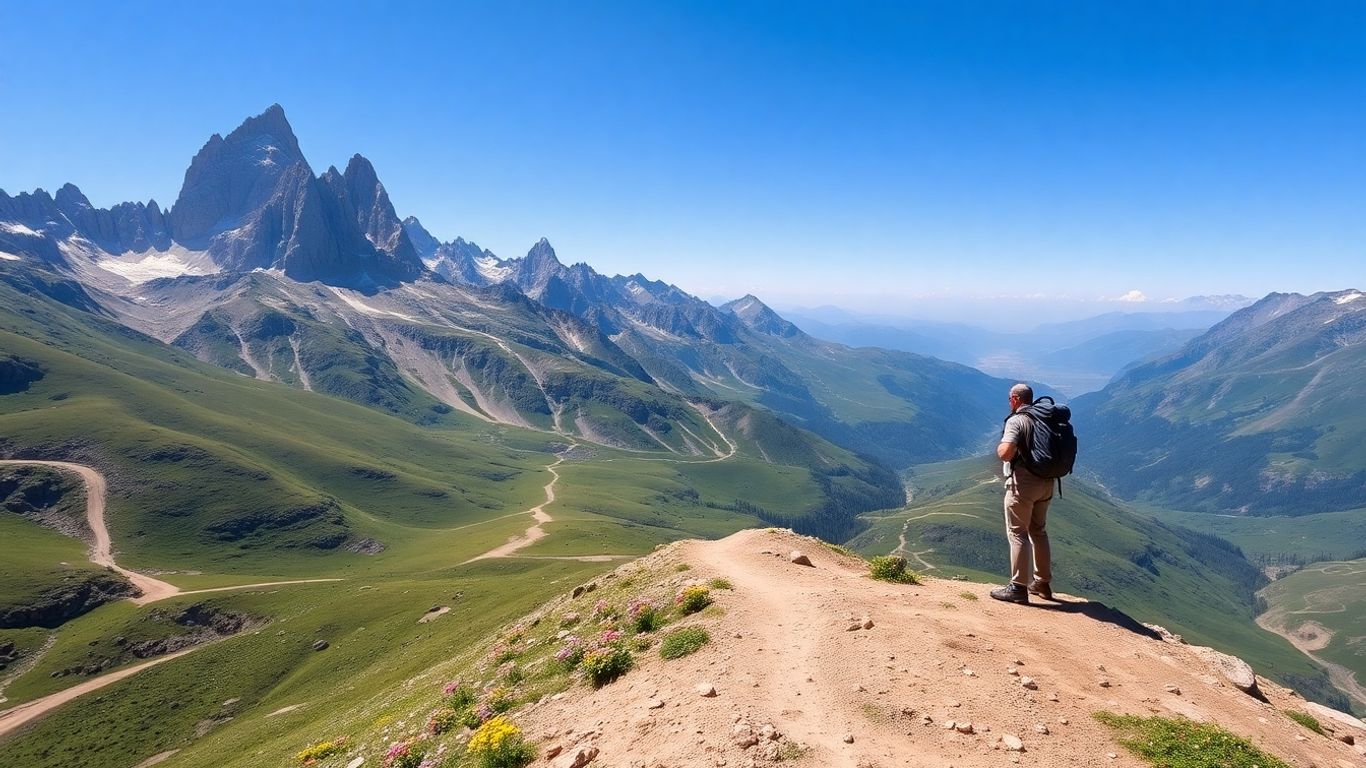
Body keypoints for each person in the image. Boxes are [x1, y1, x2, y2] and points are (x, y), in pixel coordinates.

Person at [990, 382, 1053, 604]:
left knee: (1018, 533)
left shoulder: (1017, 420)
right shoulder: (1044, 419)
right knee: (1039, 531)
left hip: (1023, 483)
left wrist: (999, 448)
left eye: (1010, 399)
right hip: (1047, 482)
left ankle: (1018, 587)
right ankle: (1042, 583)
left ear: (1015, 399)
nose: (1009, 403)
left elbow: (1006, 453)